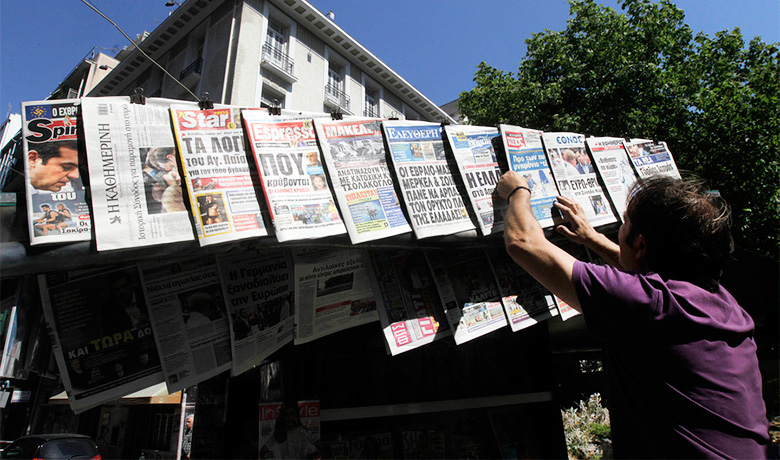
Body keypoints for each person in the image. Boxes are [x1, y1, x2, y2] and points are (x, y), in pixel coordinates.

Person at [495, 171, 773, 458]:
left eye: (625, 221)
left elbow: (523, 243)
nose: (621, 227)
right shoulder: (724, 303)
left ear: (640, 245)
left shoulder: (651, 306)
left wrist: (517, 191)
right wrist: (593, 239)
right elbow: (643, 279)